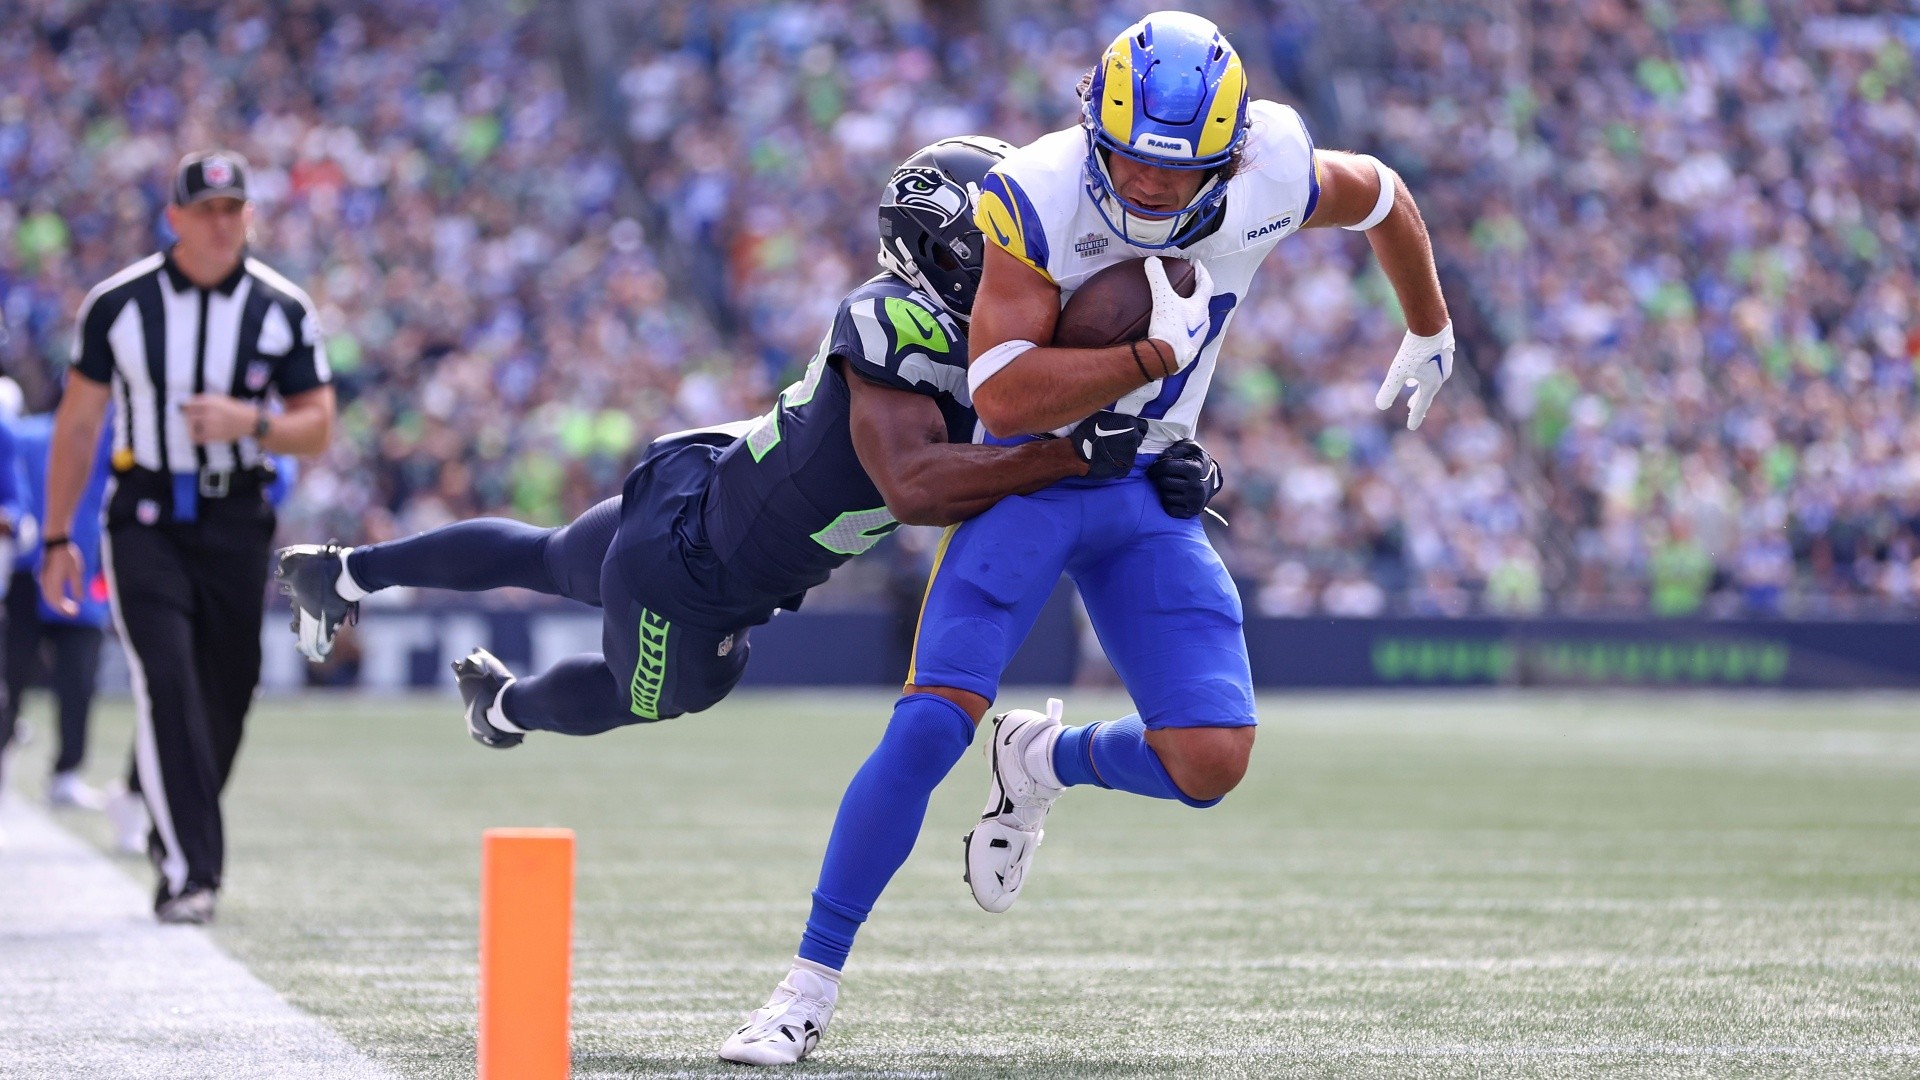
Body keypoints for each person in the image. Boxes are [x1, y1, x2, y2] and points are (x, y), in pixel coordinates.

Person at [721, 11, 1453, 1064]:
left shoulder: (1276, 167)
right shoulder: (1035, 192)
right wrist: (1152, 350)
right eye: (1130, 164)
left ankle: (1045, 759)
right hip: (1035, 479)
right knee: (930, 726)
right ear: (1091, 131)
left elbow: (1384, 194)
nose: (1150, 189)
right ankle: (803, 990)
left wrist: (1429, 324)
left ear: (1235, 152)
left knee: (1211, 759)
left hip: (1148, 482)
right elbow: (1006, 394)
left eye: (1179, 171)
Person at [276, 137, 1218, 752]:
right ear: (939, 247)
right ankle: (507, 707)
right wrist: (1072, 455)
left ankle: (346, 571)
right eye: (1000, 239)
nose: (1025, 259)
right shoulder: (895, 320)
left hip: (711, 481)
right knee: (654, 694)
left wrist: (1166, 460)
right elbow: (920, 481)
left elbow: (1081, 426)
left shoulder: (994, 333)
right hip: (695, 568)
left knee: (552, 554)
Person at [42, 150, 337, 924]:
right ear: (173, 218)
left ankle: (150, 790)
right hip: (143, 514)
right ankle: (189, 874)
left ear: (249, 215)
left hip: (237, 516)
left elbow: (318, 428)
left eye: (232, 208)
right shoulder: (119, 305)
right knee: (165, 678)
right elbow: (77, 427)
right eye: (204, 210)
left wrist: (255, 423)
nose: (219, 222)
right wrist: (55, 538)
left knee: (229, 688)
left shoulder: (280, 306)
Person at [2, 412, 113, 817]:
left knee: (76, 681)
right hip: (34, 570)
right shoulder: (24, 432)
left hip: (76, 573)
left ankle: (67, 770)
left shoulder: (106, 433)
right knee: (12, 680)